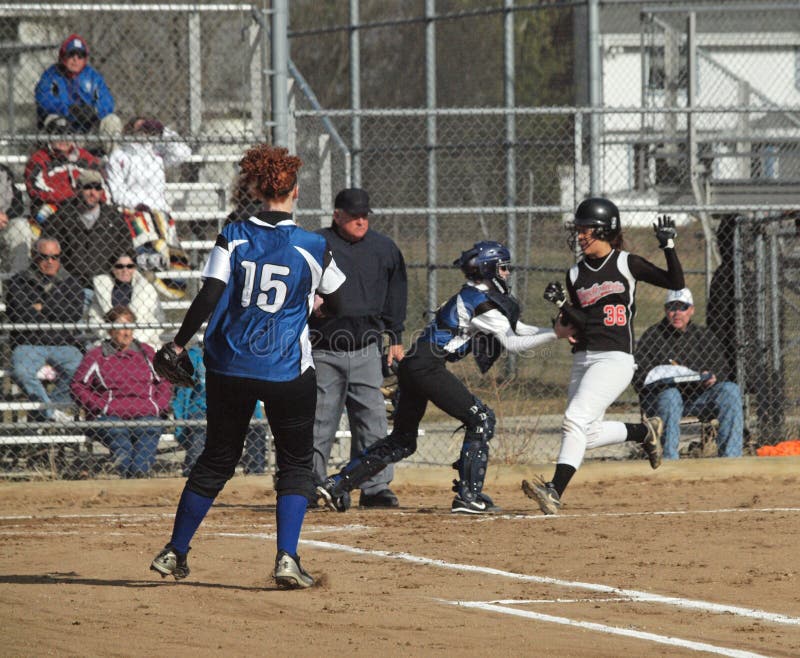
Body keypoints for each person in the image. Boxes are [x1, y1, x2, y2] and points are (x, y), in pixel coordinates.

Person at [148, 144, 345, 589]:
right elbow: (340, 302)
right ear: (295, 192)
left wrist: (179, 345)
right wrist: (314, 308)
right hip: (287, 369)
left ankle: (175, 550)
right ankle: (287, 559)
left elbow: (210, 295)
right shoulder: (315, 244)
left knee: (217, 458)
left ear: (257, 189)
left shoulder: (234, 234)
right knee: (295, 463)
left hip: (230, 364)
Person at [316, 240, 574, 515]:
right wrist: (555, 334)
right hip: (426, 367)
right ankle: (468, 495)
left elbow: (518, 328)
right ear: (487, 269)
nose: (507, 273)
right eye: (503, 268)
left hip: (416, 366)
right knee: (481, 418)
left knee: (403, 440)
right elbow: (512, 343)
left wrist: (553, 329)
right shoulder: (482, 302)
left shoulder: (478, 296)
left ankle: (336, 484)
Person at [521, 198, 685, 515]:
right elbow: (581, 324)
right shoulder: (575, 274)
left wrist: (668, 246)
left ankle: (554, 491)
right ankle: (644, 432)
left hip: (615, 358)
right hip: (583, 357)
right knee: (586, 432)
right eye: (579, 229)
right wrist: (561, 309)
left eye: (587, 229)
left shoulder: (626, 263)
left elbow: (675, 282)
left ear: (606, 230)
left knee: (574, 420)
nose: (580, 235)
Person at [310, 187, 407, 509]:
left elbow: (396, 294)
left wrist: (396, 337)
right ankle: (310, 484)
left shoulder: (384, 249)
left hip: (366, 347)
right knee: (319, 420)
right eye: (353, 217)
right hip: (322, 347)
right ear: (337, 215)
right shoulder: (317, 244)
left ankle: (375, 486)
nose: (360, 221)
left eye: (364, 216)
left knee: (372, 420)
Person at [633, 287, 744, 460]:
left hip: (697, 398)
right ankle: (670, 459)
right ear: (665, 310)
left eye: (682, 307)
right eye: (672, 307)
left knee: (730, 391)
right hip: (663, 400)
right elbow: (639, 376)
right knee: (670, 395)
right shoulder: (653, 336)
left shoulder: (703, 336)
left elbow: (722, 367)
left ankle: (731, 458)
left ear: (691, 310)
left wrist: (714, 376)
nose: (677, 313)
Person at [71, 306, 172, 478]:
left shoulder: (146, 352)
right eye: (120, 327)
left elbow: (165, 380)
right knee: (119, 437)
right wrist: (101, 406)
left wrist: (157, 406)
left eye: (130, 327)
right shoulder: (97, 355)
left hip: (146, 412)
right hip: (110, 416)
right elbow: (77, 386)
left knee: (149, 431)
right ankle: (130, 477)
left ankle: (139, 475)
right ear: (110, 330)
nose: (126, 333)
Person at [5, 238, 84, 422]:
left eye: (55, 257)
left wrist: (42, 308)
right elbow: (19, 314)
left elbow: (73, 313)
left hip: (63, 343)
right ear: (34, 256)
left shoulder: (70, 282)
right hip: (28, 342)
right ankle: (52, 414)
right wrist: (56, 310)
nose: (50, 262)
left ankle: (45, 414)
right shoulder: (20, 281)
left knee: (80, 371)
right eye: (44, 257)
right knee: (22, 372)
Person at [173, 343, 269, 478]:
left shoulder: (242, 356)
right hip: (203, 407)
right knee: (199, 427)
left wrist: (257, 418)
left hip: (235, 408)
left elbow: (252, 394)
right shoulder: (196, 356)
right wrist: (180, 424)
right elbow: (183, 392)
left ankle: (255, 472)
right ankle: (193, 473)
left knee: (256, 428)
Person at [42, 169, 133, 295]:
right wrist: (65, 278)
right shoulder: (61, 217)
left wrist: (113, 276)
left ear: (102, 191)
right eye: (87, 188)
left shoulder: (114, 218)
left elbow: (126, 250)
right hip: (69, 284)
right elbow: (47, 251)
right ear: (77, 190)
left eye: (97, 188)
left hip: (106, 283)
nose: (93, 193)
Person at [24, 115, 103, 228]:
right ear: (49, 137)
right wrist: (69, 198)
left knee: (110, 215)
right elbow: (36, 189)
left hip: (85, 204)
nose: (63, 139)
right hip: (55, 206)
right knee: (44, 213)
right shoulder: (39, 159)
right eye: (57, 134)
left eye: (68, 134)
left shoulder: (85, 157)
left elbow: (100, 184)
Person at [34, 34, 117, 136]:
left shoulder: (93, 77)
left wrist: (94, 110)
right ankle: (60, 151)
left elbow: (107, 101)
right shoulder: (51, 75)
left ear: (85, 59)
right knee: (55, 119)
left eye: (80, 55)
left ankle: (112, 152)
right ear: (63, 56)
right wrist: (68, 109)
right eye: (71, 54)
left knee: (111, 120)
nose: (75, 59)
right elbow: (43, 99)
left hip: (88, 127)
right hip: (63, 123)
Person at [106, 115, 192, 214]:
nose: (143, 131)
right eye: (139, 128)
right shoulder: (119, 156)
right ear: (130, 130)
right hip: (132, 211)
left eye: (146, 127)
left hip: (159, 210)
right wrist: (139, 205)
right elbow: (117, 191)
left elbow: (183, 153)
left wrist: (163, 131)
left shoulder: (155, 151)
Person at [88, 251, 165, 347]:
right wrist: (111, 338)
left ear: (135, 268)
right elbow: (95, 318)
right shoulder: (102, 289)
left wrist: (133, 340)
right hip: (109, 341)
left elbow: (156, 320)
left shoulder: (146, 289)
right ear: (112, 268)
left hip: (143, 342)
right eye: (120, 266)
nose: (125, 270)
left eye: (129, 266)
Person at [0, 163, 30, 274]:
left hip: (2, 224)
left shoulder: (4, 172)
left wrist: (5, 216)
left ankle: (17, 277)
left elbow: (18, 205)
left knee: (20, 226)